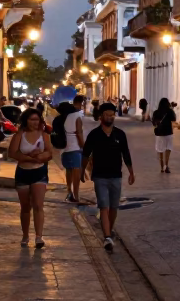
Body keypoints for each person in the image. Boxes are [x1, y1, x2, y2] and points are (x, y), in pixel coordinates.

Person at [81, 103, 134, 252]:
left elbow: (126, 153)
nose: (110, 117)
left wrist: (131, 172)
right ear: (101, 116)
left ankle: (109, 233)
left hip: (116, 176)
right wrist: (82, 171)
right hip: (99, 176)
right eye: (107, 114)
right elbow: (85, 154)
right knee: (104, 206)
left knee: (114, 207)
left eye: (112, 115)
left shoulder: (120, 134)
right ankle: (107, 236)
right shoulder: (94, 135)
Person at [8, 108, 52, 247]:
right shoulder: (19, 135)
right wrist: (30, 158)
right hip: (23, 173)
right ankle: (25, 235)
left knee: (38, 205)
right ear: (26, 120)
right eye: (31, 119)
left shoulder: (44, 135)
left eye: (37, 120)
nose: (34, 122)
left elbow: (50, 153)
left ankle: (39, 237)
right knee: (25, 207)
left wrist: (40, 156)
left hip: (39, 173)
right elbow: (13, 153)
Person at [61, 95, 88, 204]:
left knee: (69, 171)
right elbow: (79, 133)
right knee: (76, 172)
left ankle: (69, 192)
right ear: (82, 103)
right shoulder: (78, 115)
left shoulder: (67, 115)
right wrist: (84, 147)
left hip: (65, 148)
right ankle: (76, 196)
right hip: (74, 147)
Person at [152, 97, 176, 173]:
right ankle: (166, 165)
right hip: (168, 133)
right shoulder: (169, 111)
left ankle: (162, 167)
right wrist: (171, 109)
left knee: (160, 150)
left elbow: (153, 122)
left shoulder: (156, 112)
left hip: (159, 133)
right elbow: (174, 119)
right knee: (168, 149)